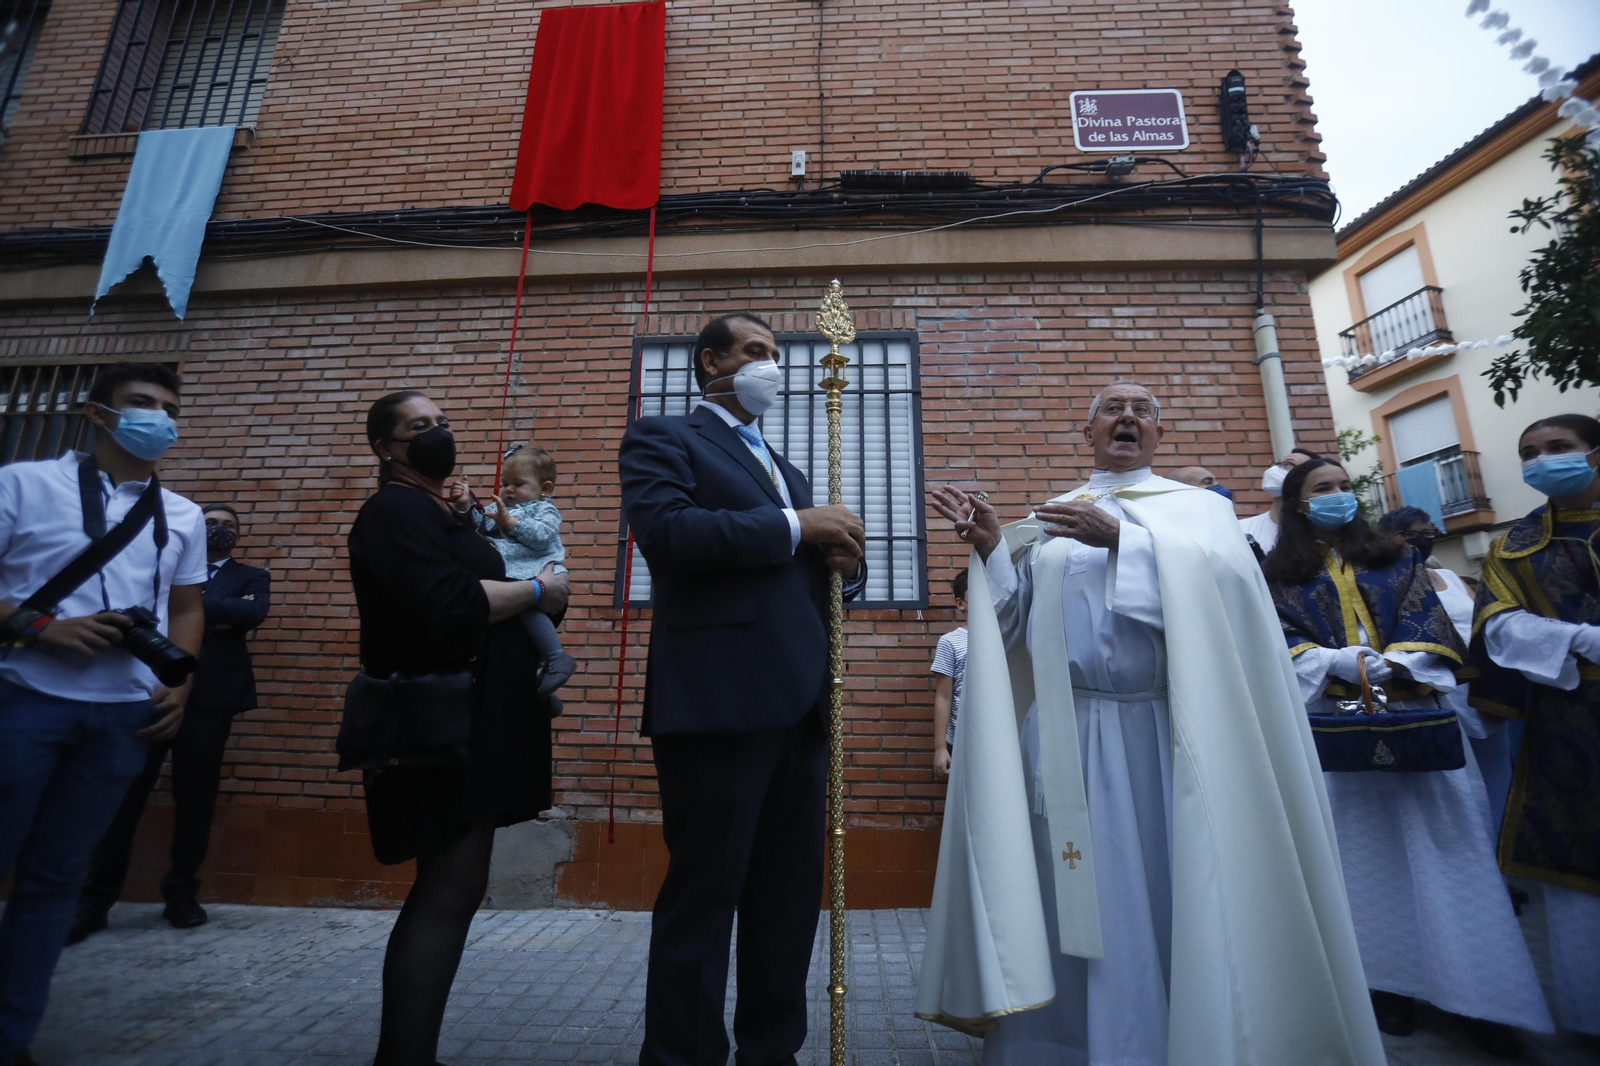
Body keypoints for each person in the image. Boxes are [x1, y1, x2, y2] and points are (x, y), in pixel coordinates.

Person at [919, 382, 1384, 1066]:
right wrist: (992, 549)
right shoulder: (1053, 521)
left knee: (1169, 888)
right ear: (1090, 431)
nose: (1128, 416)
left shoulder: (1199, 515)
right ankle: (1066, 1046)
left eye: (1143, 409)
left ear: (1159, 435)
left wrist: (1129, 546)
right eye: (1111, 406)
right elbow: (1013, 633)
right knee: (1071, 896)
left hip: (1163, 736)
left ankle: (1174, 1039)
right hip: (1066, 733)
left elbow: (1229, 614)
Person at [619, 312, 867, 1066]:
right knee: (705, 897)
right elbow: (671, 534)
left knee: (786, 902)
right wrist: (798, 526)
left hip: (800, 704)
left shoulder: (786, 469)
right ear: (710, 362)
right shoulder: (663, 438)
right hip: (718, 699)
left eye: (778, 355)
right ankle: (684, 1056)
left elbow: (800, 573)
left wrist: (843, 574)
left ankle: (771, 1052)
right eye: (757, 351)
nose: (772, 365)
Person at [1263, 459, 1551, 1052]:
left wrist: (1401, 662)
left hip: (1419, 720)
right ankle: (1384, 985)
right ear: (1296, 504)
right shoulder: (1274, 574)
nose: (1339, 496)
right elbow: (1272, 641)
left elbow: (1434, 625)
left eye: (1345, 487)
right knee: (1363, 864)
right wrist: (1330, 662)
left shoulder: (1397, 558)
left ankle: (1479, 996)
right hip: (1332, 734)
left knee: (1450, 856)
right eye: (1323, 490)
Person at [349, 389, 569, 1066]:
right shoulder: (392, 510)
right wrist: (538, 592)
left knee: (458, 886)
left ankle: (409, 1053)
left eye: (444, 421)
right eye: (419, 427)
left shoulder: (437, 512)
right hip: (435, 732)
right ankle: (403, 1057)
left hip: (472, 723)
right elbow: (449, 604)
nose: (438, 433)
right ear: (387, 447)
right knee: (446, 888)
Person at [0, 362, 206, 1066]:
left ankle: (12, 1037)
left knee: (57, 879)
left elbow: (186, 606)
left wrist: (180, 684)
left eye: (169, 407)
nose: (160, 418)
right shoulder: (22, 484)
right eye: (142, 404)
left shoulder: (181, 514)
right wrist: (38, 627)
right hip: (23, 697)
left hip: (122, 718)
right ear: (97, 414)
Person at [69, 503, 272, 940]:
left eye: (229, 526)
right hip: (150, 693)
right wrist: (215, 611)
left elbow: (252, 613)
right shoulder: (161, 569)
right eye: (212, 524)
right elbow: (156, 611)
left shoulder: (252, 576)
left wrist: (193, 606)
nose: (220, 531)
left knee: (196, 800)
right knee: (126, 798)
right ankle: (96, 899)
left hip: (210, 702)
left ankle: (181, 895)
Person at [1468, 412, 1600, 1039]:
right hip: (1571, 719)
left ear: (1594, 454)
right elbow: (1496, 624)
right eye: (1530, 452)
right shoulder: (1513, 544)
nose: (1543, 460)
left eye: (1559, 448)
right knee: (1575, 861)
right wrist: (1578, 639)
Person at [1377, 505, 1516, 850]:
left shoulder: (1452, 578)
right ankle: (1475, 856)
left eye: (1428, 533)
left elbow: (1483, 619)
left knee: (1499, 770)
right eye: (1410, 534)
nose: (1422, 540)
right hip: (1439, 688)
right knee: (1461, 779)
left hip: (1483, 686)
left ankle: (1504, 854)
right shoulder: (1386, 582)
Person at [456, 442, 575, 702]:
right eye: (505, 483)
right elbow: (479, 524)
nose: (509, 490)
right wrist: (466, 506)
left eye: (518, 484)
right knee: (517, 630)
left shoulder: (545, 509)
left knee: (526, 608)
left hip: (539, 571)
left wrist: (509, 522)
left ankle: (556, 656)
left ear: (545, 489)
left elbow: (542, 536)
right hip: (516, 574)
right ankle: (543, 692)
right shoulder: (502, 507)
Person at [1239, 446, 1322, 555]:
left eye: (1287, 465)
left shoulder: (1321, 533)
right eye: (1276, 464)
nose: (1274, 470)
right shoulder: (1241, 529)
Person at [930, 571, 968, 780]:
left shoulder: (1008, 636)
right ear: (961, 603)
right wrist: (940, 748)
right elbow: (943, 697)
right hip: (959, 739)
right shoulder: (950, 642)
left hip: (1000, 735)